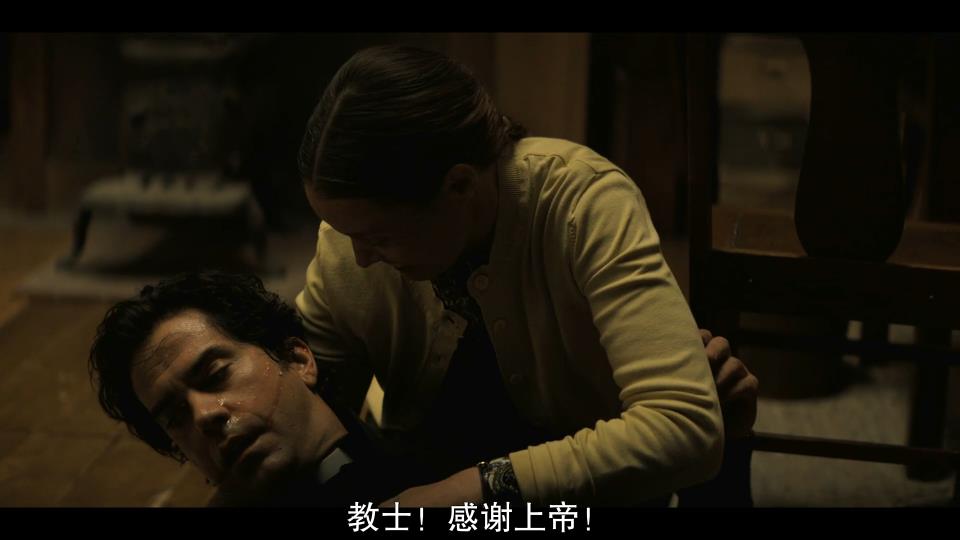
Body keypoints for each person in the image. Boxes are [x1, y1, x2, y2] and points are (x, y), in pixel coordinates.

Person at [294, 45, 759, 507]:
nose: (360, 257)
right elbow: (305, 394)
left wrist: (472, 491)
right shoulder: (345, 241)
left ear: (459, 184)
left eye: (378, 237)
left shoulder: (582, 204)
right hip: (420, 470)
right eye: (346, 232)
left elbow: (683, 425)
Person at [88, 271, 439, 507]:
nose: (204, 415)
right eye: (175, 417)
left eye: (215, 376)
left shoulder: (433, 485)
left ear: (298, 359)